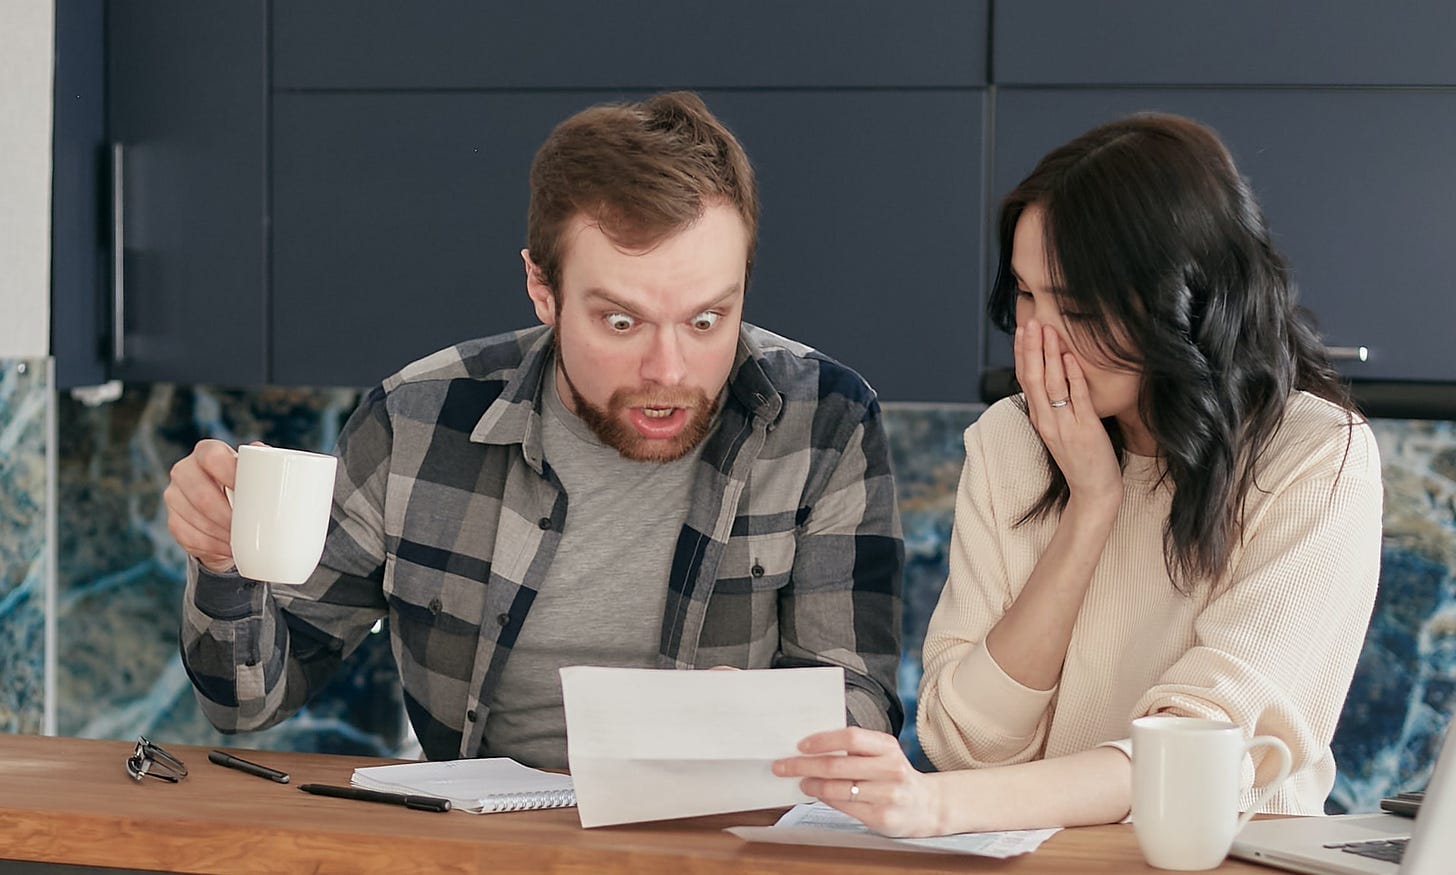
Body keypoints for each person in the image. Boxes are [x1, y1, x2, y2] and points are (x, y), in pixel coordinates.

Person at [165, 91, 904, 768]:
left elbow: (863, 707)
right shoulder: (416, 422)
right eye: (621, 320)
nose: (669, 368)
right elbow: (246, 703)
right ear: (542, 289)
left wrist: (751, 718)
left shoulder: (824, 421)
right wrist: (225, 567)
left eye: (708, 319)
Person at [774, 112, 1382, 836]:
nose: (1040, 337)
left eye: (1080, 307)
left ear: (1184, 300)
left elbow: (1198, 752)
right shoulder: (1010, 442)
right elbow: (965, 742)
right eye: (1027, 297)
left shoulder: (1315, 457)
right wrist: (1092, 503)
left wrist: (934, 804)